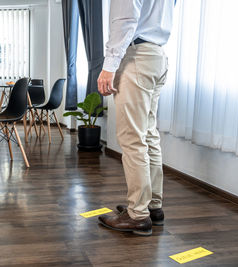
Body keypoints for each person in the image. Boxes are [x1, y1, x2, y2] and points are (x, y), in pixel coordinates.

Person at [97, 0, 174, 236]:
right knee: (148, 134)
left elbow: (125, 20)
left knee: (132, 139)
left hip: (136, 57)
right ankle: (152, 207)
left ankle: (138, 215)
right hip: (156, 56)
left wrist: (109, 66)